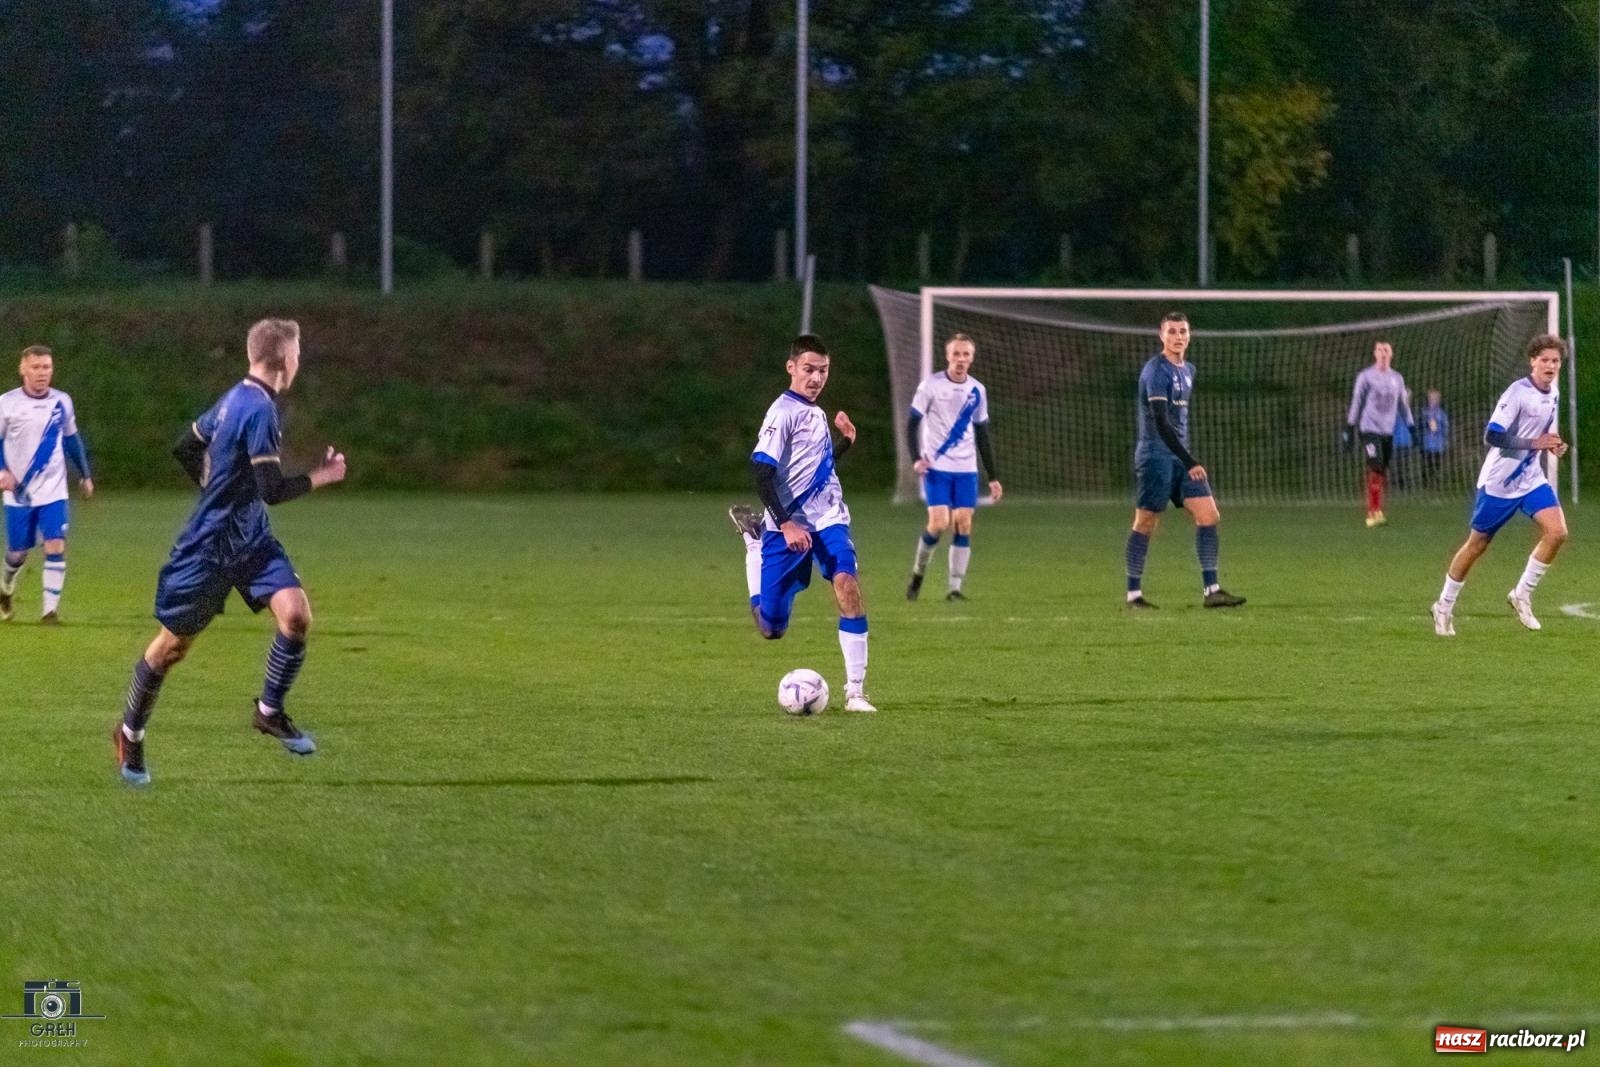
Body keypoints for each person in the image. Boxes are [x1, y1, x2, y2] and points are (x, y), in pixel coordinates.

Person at [114, 319, 347, 786]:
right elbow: (272, 489)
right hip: (209, 547)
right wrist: (323, 476)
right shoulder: (258, 408)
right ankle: (129, 733)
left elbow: (186, 447)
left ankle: (269, 711)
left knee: (296, 615)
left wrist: (215, 483)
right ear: (283, 359)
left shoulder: (235, 397)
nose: (300, 359)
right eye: (298, 351)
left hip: (252, 538)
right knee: (171, 648)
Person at [727, 334, 875, 712]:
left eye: (823, 370)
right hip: (785, 527)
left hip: (829, 519)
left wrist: (846, 443)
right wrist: (786, 524)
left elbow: (816, 472)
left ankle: (856, 692)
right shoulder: (783, 412)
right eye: (809, 369)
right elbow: (762, 472)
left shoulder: (817, 413)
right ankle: (755, 546)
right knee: (771, 628)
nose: (816, 378)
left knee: (847, 585)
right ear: (791, 368)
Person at [1430, 335, 1568, 637]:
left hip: (1530, 478)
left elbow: (1539, 434)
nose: (1550, 365)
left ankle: (1521, 594)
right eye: (1544, 359)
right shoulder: (1516, 393)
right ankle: (1443, 605)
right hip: (1500, 484)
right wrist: (1535, 442)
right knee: (1477, 544)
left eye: (1555, 360)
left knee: (1557, 533)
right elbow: (1492, 436)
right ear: (1532, 360)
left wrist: (1551, 445)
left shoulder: (1553, 393)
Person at [1124, 312, 1245, 609]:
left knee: (1208, 515)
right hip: (1156, 455)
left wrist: (1185, 459)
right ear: (1161, 336)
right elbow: (1161, 421)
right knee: (1146, 522)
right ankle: (1134, 594)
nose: (1178, 337)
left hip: (1179, 457)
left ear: (1189, 335)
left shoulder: (1189, 369)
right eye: (1172, 332)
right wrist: (1189, 459)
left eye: (1183, 331)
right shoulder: (1156, 371)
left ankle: (1212, 590)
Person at [905, 333, 1002, 602]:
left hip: (966, 469)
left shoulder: (977, 390)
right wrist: (916, 457)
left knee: (963, 523)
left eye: (966, 354)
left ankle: (954, 589)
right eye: (956, 354)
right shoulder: (931, 386)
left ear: (972, 358)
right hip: (936, 466)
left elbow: (982, 433)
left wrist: (993, 477)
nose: (961, 359)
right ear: (947, 355)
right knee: (939, 523)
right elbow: (912, 423)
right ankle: (918, 573)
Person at [0, 345, 94, 624]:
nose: (42, 373)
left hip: (54, 489)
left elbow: (71, 439)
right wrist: (2, 470)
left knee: (55, 543)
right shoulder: (7, 403)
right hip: (19, 493)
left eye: (47, 368)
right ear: (23, 369)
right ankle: (6, 588)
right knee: (17, 553)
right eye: (36, 367)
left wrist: (85, 474)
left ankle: (49, 611)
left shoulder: (62, 401)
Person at [1343, 341, 1416, 526]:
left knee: (1381, 470)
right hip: (1368, 429)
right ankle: (1372, 512)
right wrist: (1350, 428)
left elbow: (1403, 405)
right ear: (1374, 354)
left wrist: (1412, 427)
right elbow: (1356, 401)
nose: (1383, 353)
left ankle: (1378, 510)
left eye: (1386, 350)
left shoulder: (1397, 378)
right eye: (1379, 350)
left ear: (1391, 354)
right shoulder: (1366, 376)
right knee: (1375, 465)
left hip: (1387, 430)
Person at [1420, 388, 1449, 488]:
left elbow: (1446, 428)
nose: (1433, 401)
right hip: (1427, 444)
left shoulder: (1441, 414)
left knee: (1436, 465)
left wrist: (1438, 428)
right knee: (1426, 465)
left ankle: (1435, 484)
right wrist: (1427, 424)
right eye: (1431, 398)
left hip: (1438, 444)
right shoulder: (1424, 412)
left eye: (1435, 399)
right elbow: (1420, 426)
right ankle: (1426, 484)